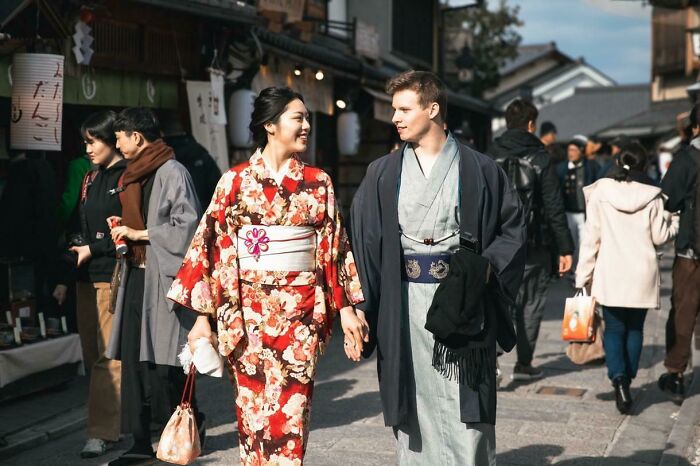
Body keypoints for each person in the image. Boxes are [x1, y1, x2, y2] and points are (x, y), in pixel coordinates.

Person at [167, 87, 367, 465]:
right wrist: (200, 320)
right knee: (252, 417)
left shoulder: (318, 182)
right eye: (298, 118)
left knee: (292, 417)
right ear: (270, 125)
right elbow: (210, 249)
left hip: (299, 320)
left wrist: (346, 309)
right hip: (246, 320)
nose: (307, 125)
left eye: (307, 118)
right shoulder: (235, 182)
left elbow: (333, 251)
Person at [350, 70, 526, 465]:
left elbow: (512, 229)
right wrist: (361, 306)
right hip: (405, 299)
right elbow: (363, 240)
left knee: (465, 402)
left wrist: (485, 272)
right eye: (394, 109)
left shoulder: (480, 169)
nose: (395, 117)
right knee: (414, 399)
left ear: (433, 109)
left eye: (404, 108)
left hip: (463, 298)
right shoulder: (383, 172)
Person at [105, 107, 202, 466]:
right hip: (136, 274)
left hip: (162, 279)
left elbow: (188, 226)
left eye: (120, 136)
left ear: (137, 137)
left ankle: (181, 431)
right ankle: (140, 441)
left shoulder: (172, 171)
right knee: (134, 361)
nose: (116, 142)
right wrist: (126, 227)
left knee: (164, 365)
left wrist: (139, 233)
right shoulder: (132, 175)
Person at [576, 142, 677, 413]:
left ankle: (618, 377)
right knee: (635, 329)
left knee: (615, 328)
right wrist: (675, 223)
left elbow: (591, 238)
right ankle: (628, 379)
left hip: (611, 271)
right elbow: (659, 237)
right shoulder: (654, 196)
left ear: (619, 162)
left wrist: (582, 275)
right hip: (642, 272)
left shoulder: (601, 191)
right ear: (644, 164)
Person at [52, 111, 125, 457]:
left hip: (110, 273)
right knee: (92, 355)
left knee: (107, 358)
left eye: (93, 140)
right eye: (85, 141)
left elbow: (128, 232)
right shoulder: (90, 178)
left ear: (113, 139)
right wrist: (65, 277)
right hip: (83, 275)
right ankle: (116, 423)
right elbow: (78, 229)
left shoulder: (127, 178)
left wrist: (94, 248)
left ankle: (101, 431)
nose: (87, 148)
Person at [490, 99, 574, 381]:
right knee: (532, 302)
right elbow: (553, 206)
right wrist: (565, 248)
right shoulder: (541, 158)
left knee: (496, 299)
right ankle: (524, 363)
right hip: (533, 243)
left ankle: (493, 355)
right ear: (530, 124)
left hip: (496, 242)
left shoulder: (490, 155)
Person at [659, 103, 700, 401]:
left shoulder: (688, 158)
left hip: (691, 251)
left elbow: (667, 199)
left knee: (684, 311)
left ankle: (676, 374)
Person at [556, 136, 600, 270]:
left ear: (581, 151)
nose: (571, 153)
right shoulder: (561, 168)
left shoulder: (590, 167)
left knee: (584, 243)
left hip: (584, 213)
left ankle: (581, 271)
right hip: (568, 212)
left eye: (574, 150)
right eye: (569, 150)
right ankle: (572, 270)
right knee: (571, 243)